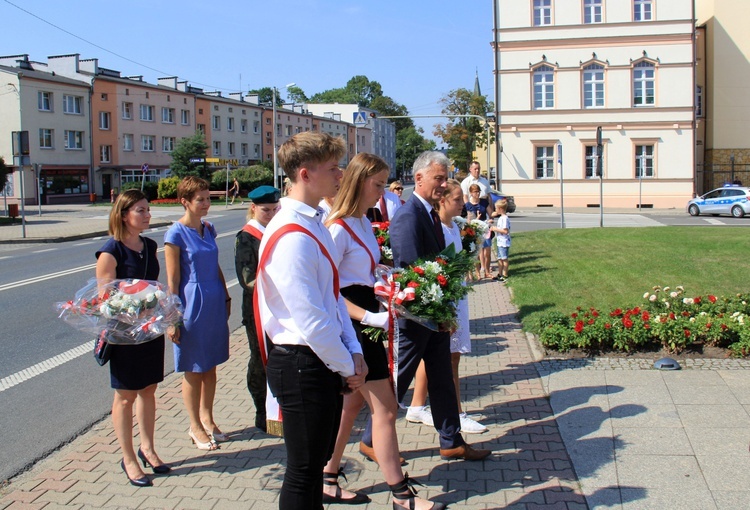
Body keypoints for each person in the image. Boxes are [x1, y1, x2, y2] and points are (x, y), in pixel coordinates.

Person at [324, 153, 445, 509]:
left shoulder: (361, 220)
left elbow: (362, 270)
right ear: (358, 181)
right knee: (387, 410)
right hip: (355, 324)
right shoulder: (338, 225)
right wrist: (367, 317)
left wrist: (385, 274)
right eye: (377, 184)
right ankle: (401, 495)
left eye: (383, 184)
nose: (383, 192)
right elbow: (327, 289)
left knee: (352, 406)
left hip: (368, 317)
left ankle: (328, 475)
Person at [255, 131, 367, 509]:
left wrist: (353, 350)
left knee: (314, 465)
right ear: (305, 174)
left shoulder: (314, 221)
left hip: (320, 358)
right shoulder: (292, 234)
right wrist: (347, 365)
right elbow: (311, 319)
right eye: (334, 168)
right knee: (303, 471)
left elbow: (332, 296)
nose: (341, 175)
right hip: (302, 361)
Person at [363, 150, 491, 462]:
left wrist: (444, 312)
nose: (444, 184)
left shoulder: (430, 213)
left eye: (446, 178)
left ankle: (451, 440)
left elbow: (436, 264)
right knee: (399, 380)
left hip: (435, 315)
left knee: (443, 378)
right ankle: (370, 440)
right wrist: (434, 310)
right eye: (438, 178)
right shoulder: (409, 216)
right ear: (418, 179)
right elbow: (410, 271)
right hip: (415, 317)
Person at [95, 189, 170, 487]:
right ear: (124, 214)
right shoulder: (110, 251)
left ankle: (148, 448)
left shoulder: (149, 245)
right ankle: (127, 458)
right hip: (124, 335)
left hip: (149, 331)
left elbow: (152, 284)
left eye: (148, 209)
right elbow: (104, 299)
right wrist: (134, 303)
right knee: (125, 396)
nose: (147, 214)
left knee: (149, 389)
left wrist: (159, 300)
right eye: (141, 210)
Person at [405, 180, 488, 435]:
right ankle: (456, 412)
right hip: (447, 296)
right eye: (457, 200)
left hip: (456, 294)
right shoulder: (437, 227)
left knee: (444, 355)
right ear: (443, 201)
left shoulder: (455, 225)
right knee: (448, 356)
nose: (462, 204)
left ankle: (418, 405)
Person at [164, 176, 231, 451]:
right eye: (200, 199)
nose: (206, 204)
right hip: (191, 303)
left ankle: (208, 418)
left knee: (211, 365)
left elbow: (215, 266)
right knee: (193, 368)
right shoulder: (175, 234)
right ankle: (194, 426)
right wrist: (172, 319)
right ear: (185, 202)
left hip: (214, 300)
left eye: (208, 198)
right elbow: (172, 280)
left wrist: (226, 294)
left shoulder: (209, 228)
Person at [234, 185, 281, 433]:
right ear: (253, 208)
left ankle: (280, 411)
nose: (271, 214)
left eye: (275, 209)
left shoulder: (277, 230)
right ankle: (262, 413)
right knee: (260, 358)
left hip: (276, 306)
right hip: (257, 308)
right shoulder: (247, 237)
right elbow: (247, 279)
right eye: (266, 210)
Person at [465, 184, 492, 279]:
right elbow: (468, 221)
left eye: (479, 191)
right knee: (477, 253)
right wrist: (476, 219)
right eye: (475, 192)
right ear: (471, 193)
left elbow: (490, 214)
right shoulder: (468, 205)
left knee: (487, 251)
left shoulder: (484, 202)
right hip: (474, 231)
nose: (477, 194)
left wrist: (490, 219)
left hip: (485, 229)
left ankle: (487, 271)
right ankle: (477, 273)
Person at [490, 198, 511, 282]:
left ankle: (505, 274)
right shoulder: (501, 217)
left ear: (500, 209)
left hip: (504, 242)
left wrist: (496, 229)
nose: (495, 210)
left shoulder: (505, 219)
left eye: (496, 208)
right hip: (500, 242)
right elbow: (494, 214)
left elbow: (505, 231)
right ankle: (500, 274)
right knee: (499, 258)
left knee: (504, 259)